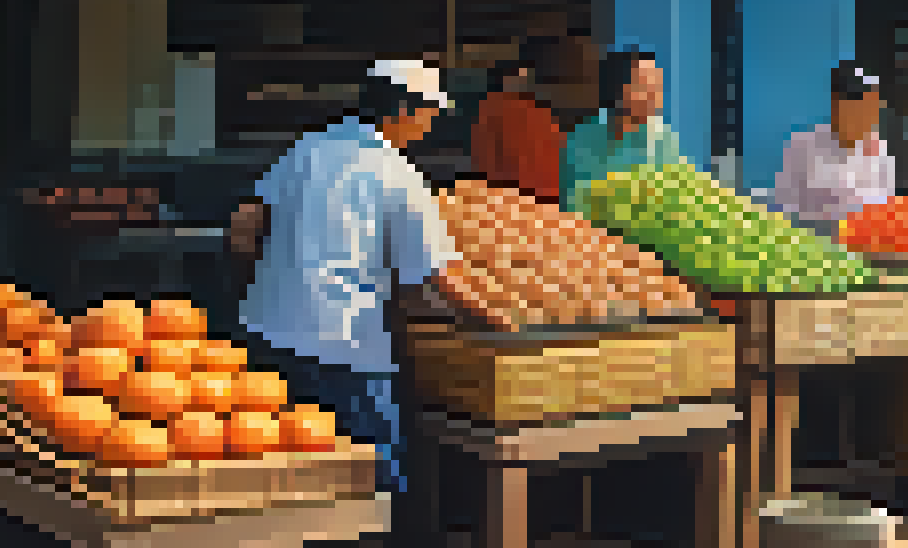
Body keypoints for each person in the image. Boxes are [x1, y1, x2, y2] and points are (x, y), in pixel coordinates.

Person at [232, 60, 460, 495]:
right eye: (429, 113)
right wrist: (494, 322)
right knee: (372, 477)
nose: (430, 126)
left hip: (269, 333)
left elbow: (243, 230)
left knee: (282, 472)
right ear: (403, 110)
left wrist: (268, 287)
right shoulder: (398, 173)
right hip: (344, 345)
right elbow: (434, 274)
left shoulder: (307, 148)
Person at [772, 63, 896, 231]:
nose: (870, 115)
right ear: (836, 105)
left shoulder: (881, 153)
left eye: (873, 106)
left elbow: (883, 214)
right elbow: (782, 209)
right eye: (858, 106)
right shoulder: (803, 146)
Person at [560, 49, 690, 205]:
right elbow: (574, 200)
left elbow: (679, 191)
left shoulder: (661, 138)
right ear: (618, 88)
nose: (655, 95)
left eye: (657, 85)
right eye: (644, 86)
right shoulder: (584, 139)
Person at [470, 38, 566, 202]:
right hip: (533, 197)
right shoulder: (497, 109)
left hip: (524, 198)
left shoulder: (536, 111)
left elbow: (484, 162)